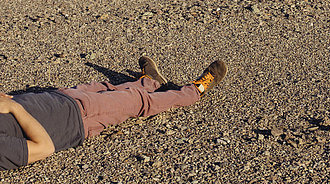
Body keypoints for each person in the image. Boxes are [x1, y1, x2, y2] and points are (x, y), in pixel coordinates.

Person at [0, 57, 227, 170]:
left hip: (61, 98)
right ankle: (196, 90)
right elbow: (44, 148)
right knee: (139, 102)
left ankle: (149, 81)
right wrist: (16, 108)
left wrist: (11, 101)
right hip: (79, 118)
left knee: (109, 88)